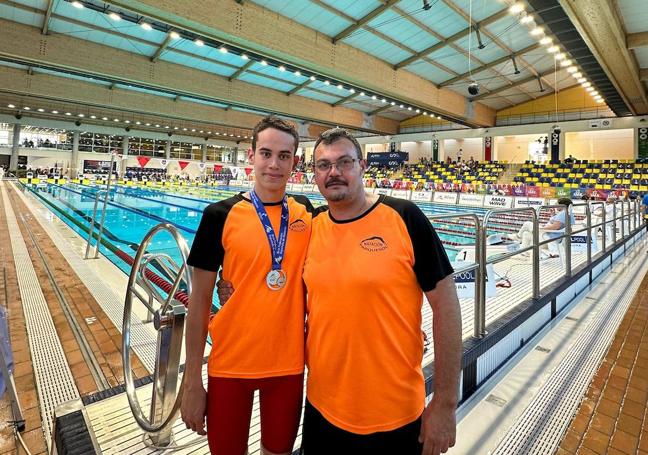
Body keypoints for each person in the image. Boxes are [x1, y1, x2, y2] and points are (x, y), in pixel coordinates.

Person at [219, 129, 462, 454]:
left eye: (344, 162)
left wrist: (445, 404)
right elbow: (273, 271)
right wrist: (229, 284)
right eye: (323, 165)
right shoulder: (310, 227)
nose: (333, 172)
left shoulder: (404, 218)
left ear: (362, 166)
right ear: (315, 174)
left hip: (397, 415)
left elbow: (446, 306)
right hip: (322, 412)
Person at [181, 116, 314, 455]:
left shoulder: (309, 214)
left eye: (284, 156)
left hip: (287, 368)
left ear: (295, 163)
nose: (274, 164)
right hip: (230, 365)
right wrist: (192, 379)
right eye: (266, 153)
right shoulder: (219, 215)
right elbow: (198, 304)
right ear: (251, 156)